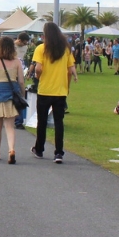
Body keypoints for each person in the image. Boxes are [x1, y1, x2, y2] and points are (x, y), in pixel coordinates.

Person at [31, 21, 77, 164]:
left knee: (42, 121)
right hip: (60, 91)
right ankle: (58, 152)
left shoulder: (41, 48)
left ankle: (39, 149)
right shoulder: (66, 49)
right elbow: (71, 69)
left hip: (45, 90)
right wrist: (71, 80)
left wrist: (38, 77)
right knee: (59, 122)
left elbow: (38, 68)